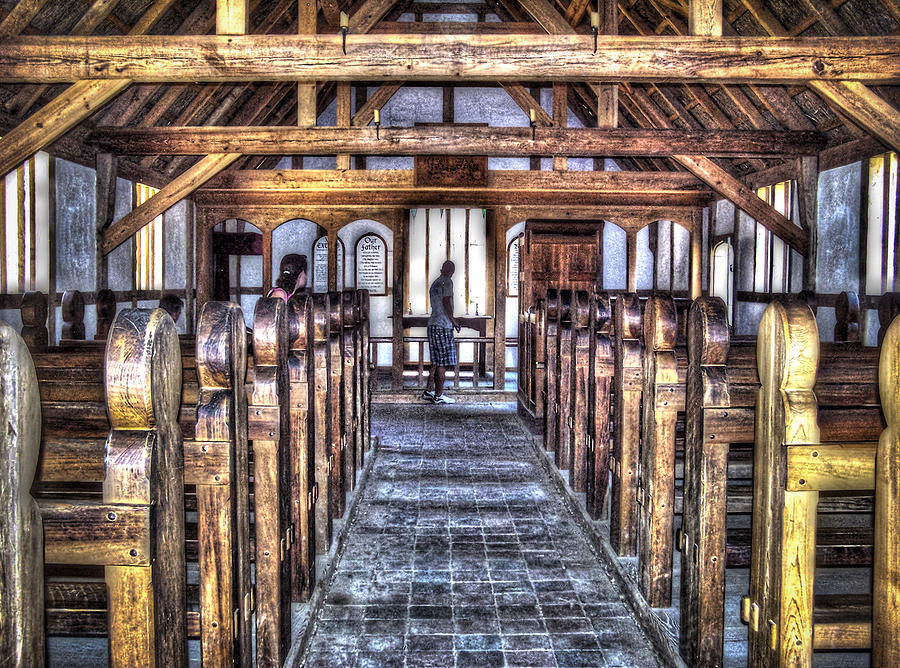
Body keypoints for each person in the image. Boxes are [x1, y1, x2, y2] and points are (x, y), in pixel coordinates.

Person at [423, 260, 461, 404]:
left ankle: (428, 390)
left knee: (436, 361)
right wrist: (454, 321)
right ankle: (438, 395)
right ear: (452, 271)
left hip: (432, 324)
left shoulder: (435, 282)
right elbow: (446, 302)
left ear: (441, 269)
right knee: (442, 363)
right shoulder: (447, 282)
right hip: (443, 326)